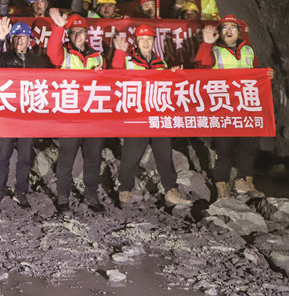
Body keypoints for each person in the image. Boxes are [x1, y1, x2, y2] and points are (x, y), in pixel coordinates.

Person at [196, 14, 275, 199]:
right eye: (224, 28)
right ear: (220, 33)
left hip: (245, 106)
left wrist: (266, 74)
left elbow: (256, 71)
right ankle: (222, 185)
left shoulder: (248, 50)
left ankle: (244, 180)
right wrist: (206, 44)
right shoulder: (213, 50)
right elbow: (200, 69)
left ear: (239, 32)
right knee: (224, 147)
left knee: (250, 144)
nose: (229, 30)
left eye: (232, 27)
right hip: (223, 107)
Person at [112, 25, 191, 207]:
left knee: (164, 155)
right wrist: (119, 53)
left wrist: (173, 75)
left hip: (157, 116)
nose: (146, 43)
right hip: (137, 118)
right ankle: (125, 192)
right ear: (136, 42)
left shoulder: (160, 63)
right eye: (142, 39)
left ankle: (171, 191)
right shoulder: (128, 60)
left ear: (155, 41)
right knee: (131, 157)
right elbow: (115, 72)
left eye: (149, 39)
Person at [47, 8, 106, 212]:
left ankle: (91, 196)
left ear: (87, 34)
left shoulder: (98, 57)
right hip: (70, 116)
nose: (77, 36)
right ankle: (63, 197)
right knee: (66, 159)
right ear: (68, 35)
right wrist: (58, 28)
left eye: (81, 32)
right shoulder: (63, 54)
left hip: (92, 117)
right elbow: (51, 52)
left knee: (93, 159)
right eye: (73, 32)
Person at [0, 17, 50, 208]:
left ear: (30, 40)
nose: (20, 40)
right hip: (8, 115)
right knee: (3, 156)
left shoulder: (37, 62)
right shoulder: (5, 59)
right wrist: (1, 37)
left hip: (28, 117)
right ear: (11, 40)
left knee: (24, 157)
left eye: (23, 37)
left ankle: (21, 191)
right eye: (16, 37)